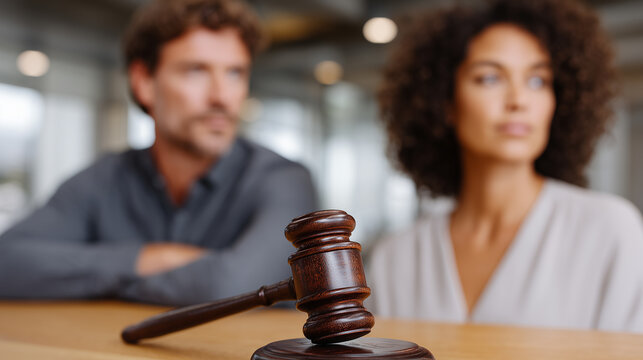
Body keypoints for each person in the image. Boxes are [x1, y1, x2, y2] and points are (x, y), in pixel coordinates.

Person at [0, 0, 317, 306]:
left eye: (235, 73)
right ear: (144, 83)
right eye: (196, 70)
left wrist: (101, 278)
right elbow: (7, 262)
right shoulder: (104, 179)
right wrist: (149, 258)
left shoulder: (284, 180)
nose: (222, 96)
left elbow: (233, 286)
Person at [369, 0, 643, 333]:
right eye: (489, 78)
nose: (518, 100)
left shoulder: (610, 231)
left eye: (538, 81)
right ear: (445, 104)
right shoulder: (395, 258)